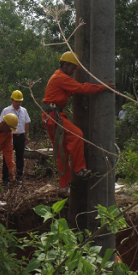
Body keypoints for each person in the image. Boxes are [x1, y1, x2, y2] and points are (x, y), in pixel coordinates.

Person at [42, 51, 115, 196]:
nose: (73, 72)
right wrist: (102, 87)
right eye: (73, 68)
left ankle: (63, 186)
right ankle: (79, 169)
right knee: (77, 135)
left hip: (50, 118)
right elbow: (81, 88)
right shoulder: (61, 77)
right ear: (66, 65)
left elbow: (68, 91)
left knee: (62, 153)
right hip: (53, 117)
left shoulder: (58, 77)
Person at [0, 90, 31, 184]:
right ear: (12, 100)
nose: (18, 103)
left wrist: (27, 135)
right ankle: (6, 178)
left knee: (20, 157)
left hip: (20, 136)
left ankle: (19, 177)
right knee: (7, 157)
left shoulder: (24, 110)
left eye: (20, 101)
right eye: (16, 101)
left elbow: (26, 123)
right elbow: (1, 123)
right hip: (10, 137)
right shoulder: (6, 110)